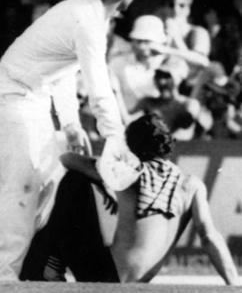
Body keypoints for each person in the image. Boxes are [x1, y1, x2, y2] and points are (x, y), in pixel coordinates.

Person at [0, 0, 144, 281]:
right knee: (22, 189)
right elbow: (99, 89)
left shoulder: (83, 12)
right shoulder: (87, 19)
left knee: (48, 188)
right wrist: (115, 139)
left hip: (31, 98)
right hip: (13, 96)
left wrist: (69, 123)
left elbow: (64, 71)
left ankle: (27, 273)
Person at [20, 114, 239, 285]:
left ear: (134, 147)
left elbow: (67, 159)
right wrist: (233, 284)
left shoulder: (131, 172)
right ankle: (43, 267)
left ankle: (49, 267)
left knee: (74, 180)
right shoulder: (192, 184)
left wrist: (102, 182)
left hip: (106, 279)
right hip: (139, 283)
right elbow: (209, 237)